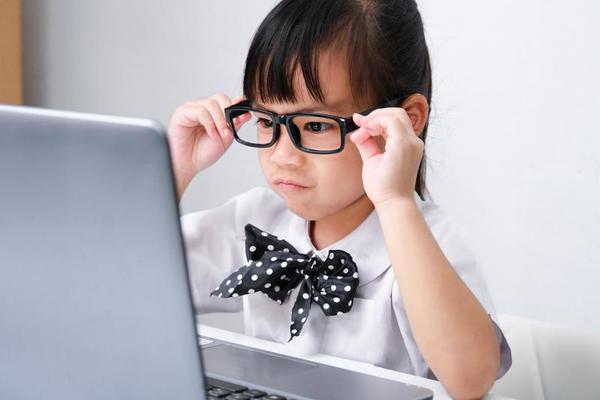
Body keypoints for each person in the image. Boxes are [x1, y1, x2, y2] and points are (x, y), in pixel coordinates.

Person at [167, 1, 511, 398]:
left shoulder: (427, 239)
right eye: (266, 122)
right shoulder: (254, 220)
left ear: (406, 119)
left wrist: (396, 201)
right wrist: (176, 168)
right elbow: (116, 282)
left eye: (314, 125)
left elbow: (471, 379)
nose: (282, 156)